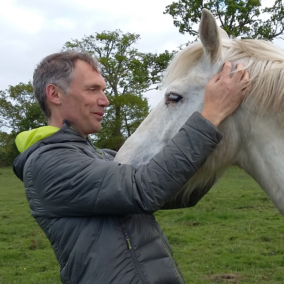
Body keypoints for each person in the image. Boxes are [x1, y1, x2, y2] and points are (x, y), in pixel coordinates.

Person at [13, 51, 250, 284]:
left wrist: (228, 140)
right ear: (54, 94)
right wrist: (210, 116)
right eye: (92, 89)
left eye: (103, 90)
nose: (105, 100)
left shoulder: (100, 157)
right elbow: (143, 189)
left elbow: (175, 192)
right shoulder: (49, 162)